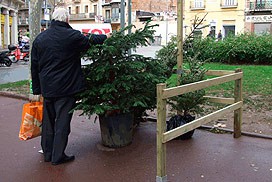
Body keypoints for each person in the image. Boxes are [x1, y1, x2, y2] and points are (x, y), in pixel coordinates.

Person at [31, 7, 111, 165]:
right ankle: (58, 156)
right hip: (66, 88)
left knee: (48, 122)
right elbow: (91, 40)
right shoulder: (72, 36)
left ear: (53, 19)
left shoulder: (40, 38)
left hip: (48, 88)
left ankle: (48, 153)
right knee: (62, 122)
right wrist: (106, 37)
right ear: (67, 19)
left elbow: (34, 66)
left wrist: (37, 89)